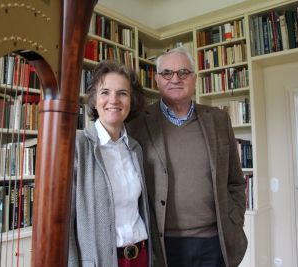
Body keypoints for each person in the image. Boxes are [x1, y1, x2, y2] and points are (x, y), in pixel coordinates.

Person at [127, 46, 248, 267]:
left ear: (194, 78)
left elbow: (236, 181)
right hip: (162, 244)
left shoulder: (219, 119)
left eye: (183, 72)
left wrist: (236, 217)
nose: (175, 79)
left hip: (215, 242)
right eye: (167, 73)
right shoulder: (136, 124)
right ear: (157, 79)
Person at [68, 60, 154, 267]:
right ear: (94, 100)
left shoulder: (135, 149)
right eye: (105, 92)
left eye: (122, 93)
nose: (113, 100)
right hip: (100, 261)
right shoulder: (77, 145)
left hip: (141, 256)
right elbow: (64, 223)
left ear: (131, 101)